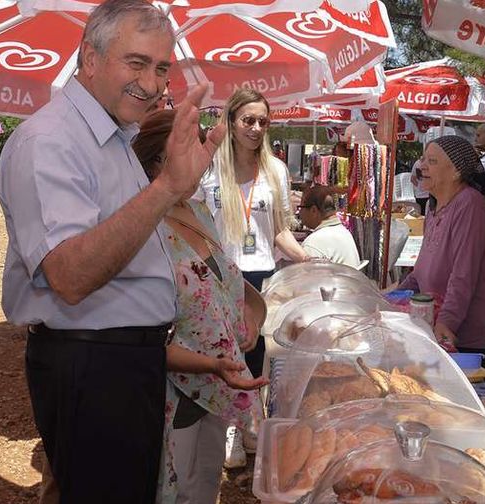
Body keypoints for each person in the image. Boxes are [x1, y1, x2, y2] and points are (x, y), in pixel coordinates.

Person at [0, 0, 220, 501]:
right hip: (92, 367)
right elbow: (70, 275)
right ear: (89, 59)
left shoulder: (113, 136)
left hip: (120, 363)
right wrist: (166, 187)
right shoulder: (50, 140)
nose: (153, 82)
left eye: (162, 68)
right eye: (137, 63)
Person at [133, 109, 268, 504]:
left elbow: (229, 282)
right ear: (157, 160)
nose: (204, 159)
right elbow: (141, 335)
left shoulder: (198, 210)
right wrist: (211, 365)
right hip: (175, 393)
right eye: (192, 149)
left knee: (205, 488)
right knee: (174, 491)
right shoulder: (141, 225)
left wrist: (251, 318)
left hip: (219, 386)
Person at [195, 87, 307, 467]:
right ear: (231, 122)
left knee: (253, 351)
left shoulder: (275, 170)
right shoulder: (209, 168)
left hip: (261, 275)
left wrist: (308, 258)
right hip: (218, 273)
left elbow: (278, 232)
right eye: (248, 120)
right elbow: (192, 222)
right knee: (221, 352)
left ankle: (248, 425)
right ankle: (228, 427)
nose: (256, 128)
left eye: (262, 121)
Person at [399, 136, 485, 391]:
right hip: (445, 328)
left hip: (477, 335)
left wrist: (446, 323)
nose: (422, 167)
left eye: (432, 161)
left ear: (456, 172)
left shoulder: (470, 205)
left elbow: (463, 275)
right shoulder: (433, 207)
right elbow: (420, 272)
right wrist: (390, 296)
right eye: (423, 159)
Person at [298, 185, 361, 267]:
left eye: (301, 207)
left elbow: (308, 278)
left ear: (314, 210)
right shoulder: (343, 232)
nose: (299, 213)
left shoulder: (314, 243)